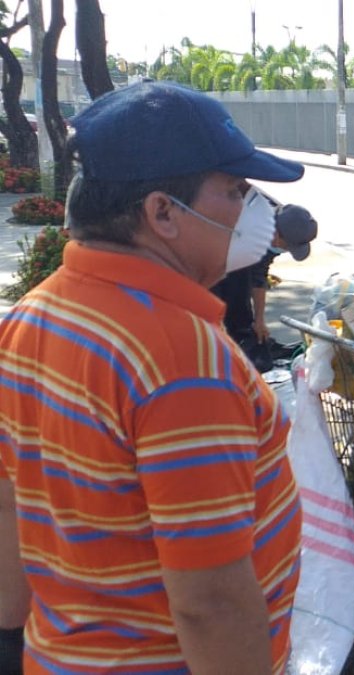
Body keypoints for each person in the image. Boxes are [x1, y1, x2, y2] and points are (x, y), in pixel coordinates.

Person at [0, 81, 305, 673]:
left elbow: (10, 501)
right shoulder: (178, 358)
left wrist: (11, 638)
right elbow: (210, 602)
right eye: (235, 191)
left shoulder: (32, 315)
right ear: (163, 212)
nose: (252, 211)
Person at [211, 198, 318, 371]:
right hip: (211, 263)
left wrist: (259, 320)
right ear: (276, 234)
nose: (284, 250)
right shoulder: (244, 227)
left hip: (235, 264)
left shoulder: (271, 235)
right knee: (226, 306)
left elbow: (259, 274)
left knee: (241, 307)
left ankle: (244, 339)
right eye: (286, 246)